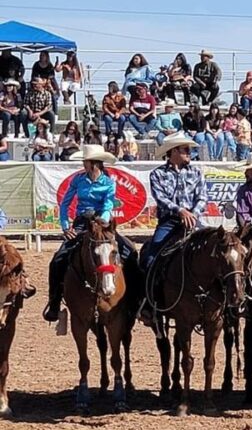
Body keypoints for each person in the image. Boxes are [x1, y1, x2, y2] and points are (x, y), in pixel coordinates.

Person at [43, 144, 138, 322]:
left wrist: (102, 219)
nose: (83, 164)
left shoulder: (108, 182)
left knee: (129, 252)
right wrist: (66, 226)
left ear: (93, 163)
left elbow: (109, 203)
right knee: (58, 259)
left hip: (103, 223)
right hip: (82, 223)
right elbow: (65, 204)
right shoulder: (79, 180)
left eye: (85, 161)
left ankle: (134, 300)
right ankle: (54, 302)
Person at [140, 134, 206, 278]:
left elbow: (202, 197)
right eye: (186, 150)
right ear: (174, 151)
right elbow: (161, 198)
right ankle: (150, 296)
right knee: (151, 260)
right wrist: (180, 211)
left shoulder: (196, 172)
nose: (190, 153)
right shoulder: (157, 174)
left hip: (194, 219)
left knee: (214, 250)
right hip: (169, 221)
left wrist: (193, 213)